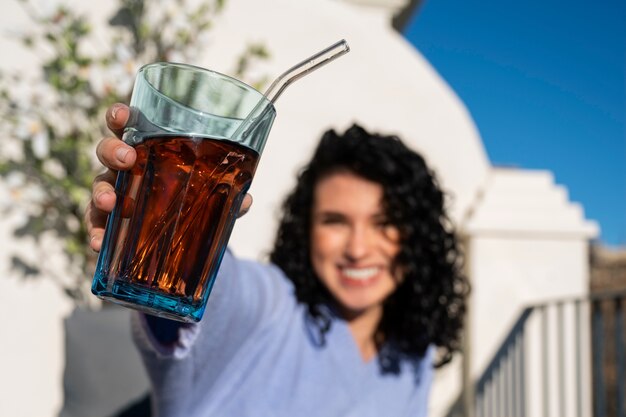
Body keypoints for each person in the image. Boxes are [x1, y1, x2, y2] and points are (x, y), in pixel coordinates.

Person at [86, 103, 469, 417]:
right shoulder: (272, 305)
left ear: (417, 237)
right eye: (334, 221)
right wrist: (152, 216)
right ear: (306, 229)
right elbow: (207, 296)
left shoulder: (413, 352)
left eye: (384, 223)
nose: (357, 248)